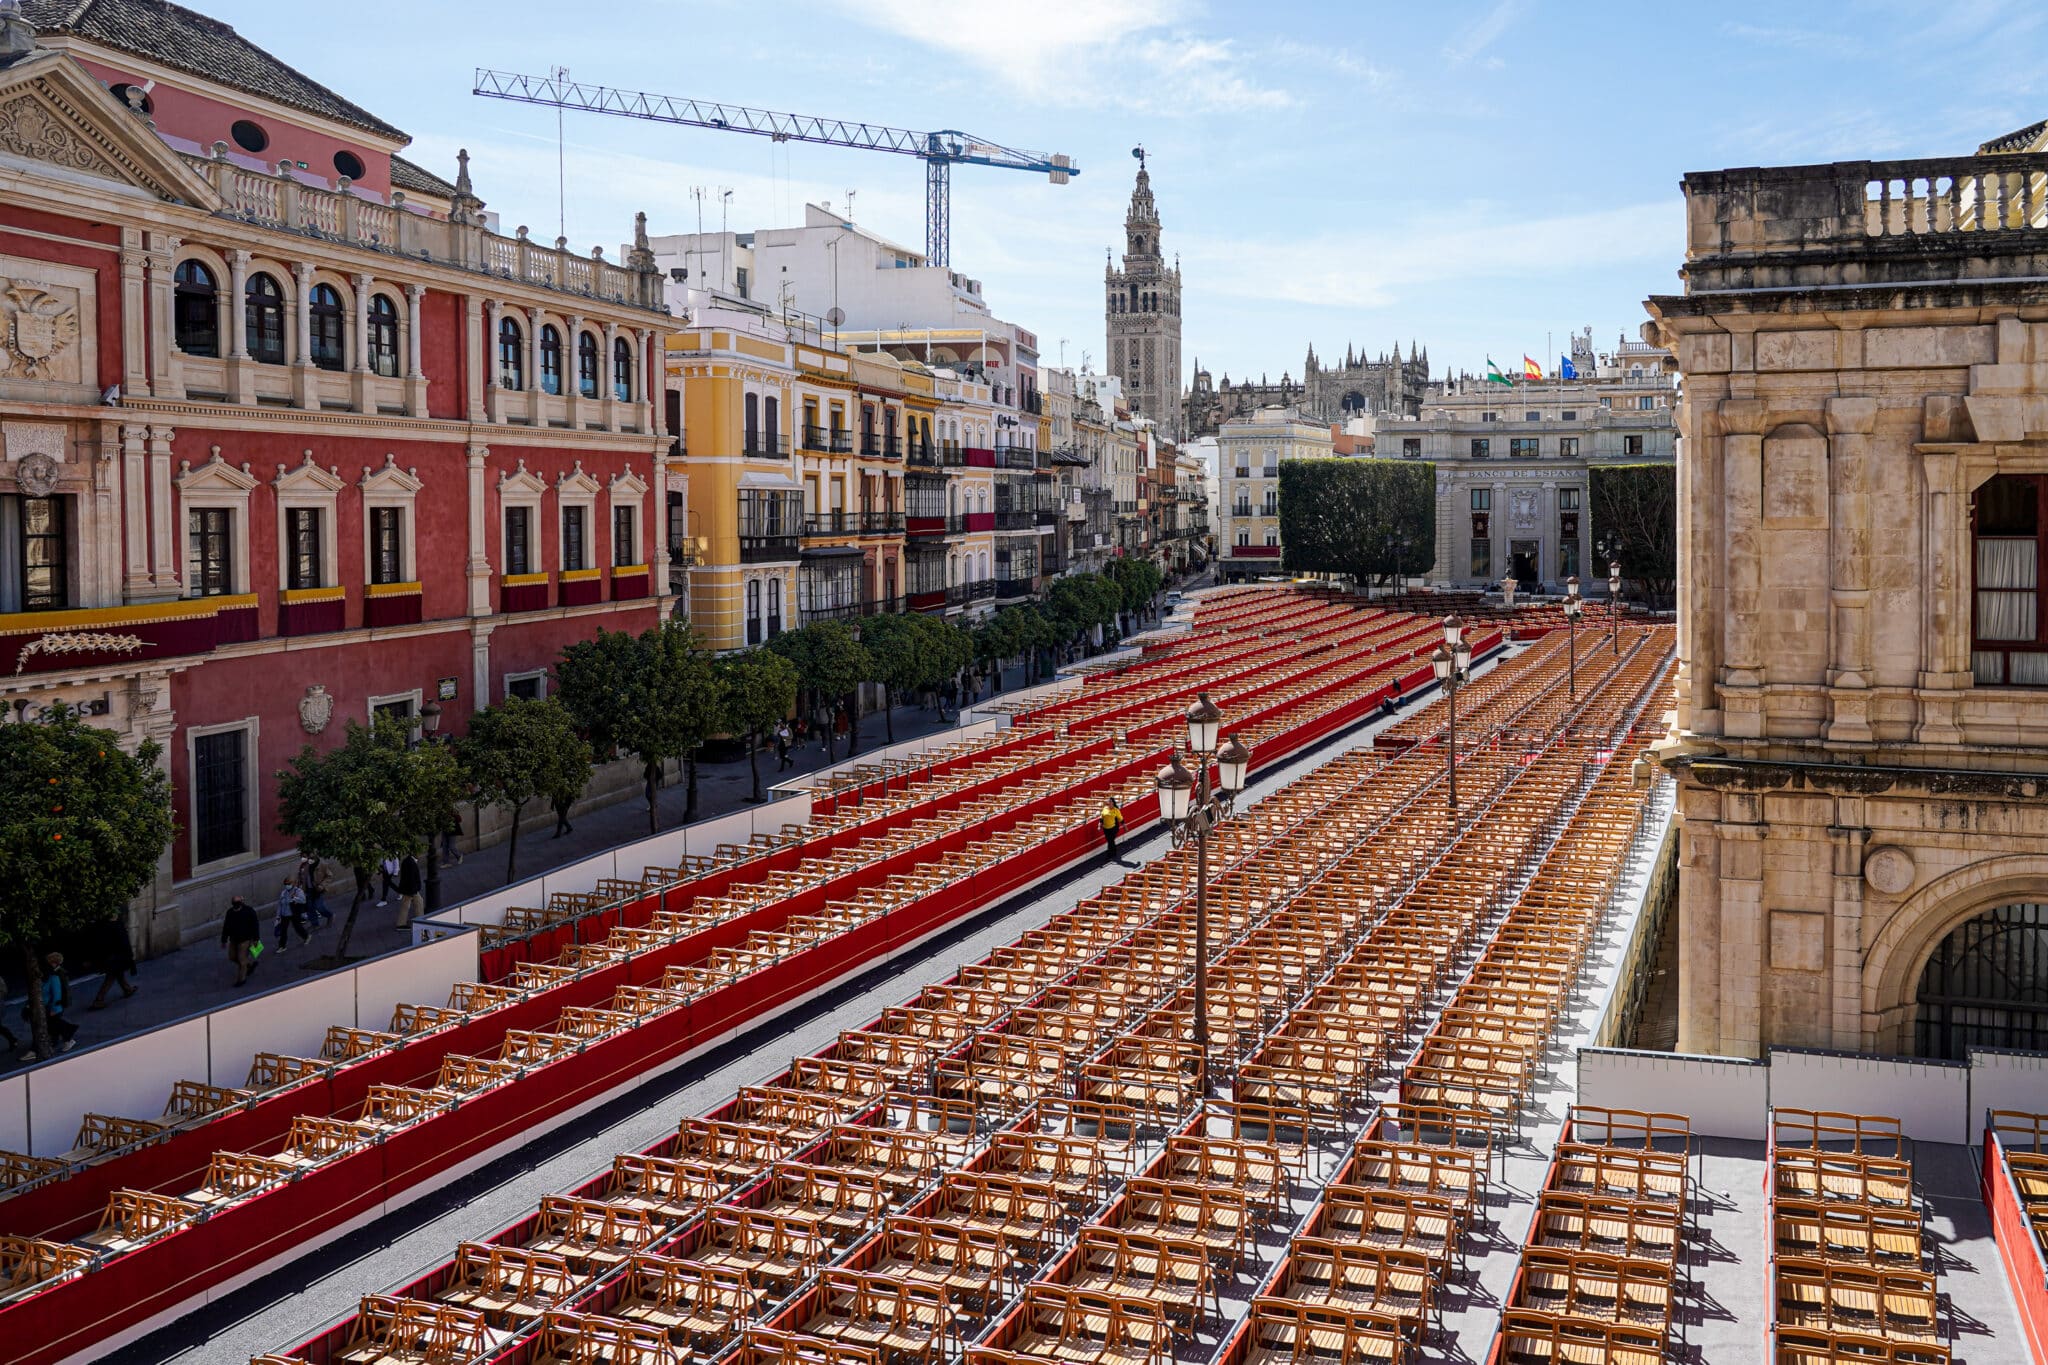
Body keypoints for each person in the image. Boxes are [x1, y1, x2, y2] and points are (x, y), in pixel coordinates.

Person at [19, 952, 79, 1059]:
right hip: (47, 1007)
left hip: (53, 1007)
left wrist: (56, 1007)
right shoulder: (45, 977)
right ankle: (63, 1038)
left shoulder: (56, 976)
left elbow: (59, 993)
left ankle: (67, 1036)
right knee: (52, 1026)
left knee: (53, 1025)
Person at [86, 915, 139, 1010]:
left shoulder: (108, 926)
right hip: (116, 957)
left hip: (114, 957)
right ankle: (99, 1000)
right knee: (111, 977)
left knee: (118, 974)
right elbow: (122, 942)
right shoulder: (114, 926)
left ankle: (127, 989)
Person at [221, 897, 262, 985]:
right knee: (232, 957)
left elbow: (255, 925)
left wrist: (256, 939)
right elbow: (226, 926)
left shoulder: (248, 911)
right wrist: (224, 940)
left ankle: (241, 979)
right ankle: (249, 965)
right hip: (234, 939)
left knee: (241, 959)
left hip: (245, 940)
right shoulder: (230, 912)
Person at [274, 877, 310, 951]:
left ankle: (306, 936)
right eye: (286, 884)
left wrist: (295, 898)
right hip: (285, 915)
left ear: (293, 883)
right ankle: (282, 946)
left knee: (298, 927)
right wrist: (278, 916)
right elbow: (280, 905)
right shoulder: (283, 892)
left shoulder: (298, 891)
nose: (287, 885)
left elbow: (303, 900)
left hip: (294, 913)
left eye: (288, 884)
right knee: (283, 930)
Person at [299, 854, 333, 928]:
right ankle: (315, 924)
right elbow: (301, 878)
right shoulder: (304, 865)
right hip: (307, 890)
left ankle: (330, 915)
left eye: (312, 858)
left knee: (319, 907)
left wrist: (322, 885)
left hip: (317, 890)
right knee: (310, 908)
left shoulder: (322, 865)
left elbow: (329, 876)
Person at [395, 853, 424, 929]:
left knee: (410, 904)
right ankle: (420, 921)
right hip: (411, 889)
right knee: (418, 903)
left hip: (408, 889)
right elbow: (411, 879)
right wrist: (412, 890)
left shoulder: (407, 861)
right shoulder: (411, 863)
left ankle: (401, 923)